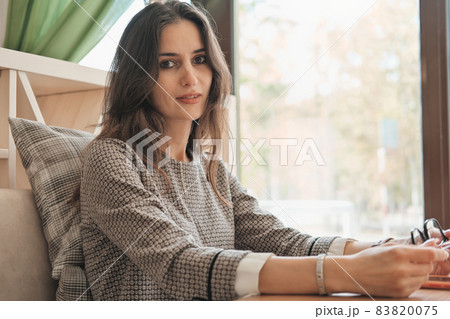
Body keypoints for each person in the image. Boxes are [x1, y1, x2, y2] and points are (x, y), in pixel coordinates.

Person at [78, 0, 450, 301]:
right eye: (168, 64)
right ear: (137, 76)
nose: (191, 78)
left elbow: (284, 241)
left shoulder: (212, 170)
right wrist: (349, 273)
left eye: (200, 59)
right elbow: (179, 264)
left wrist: (398, 248)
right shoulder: (111, 160)